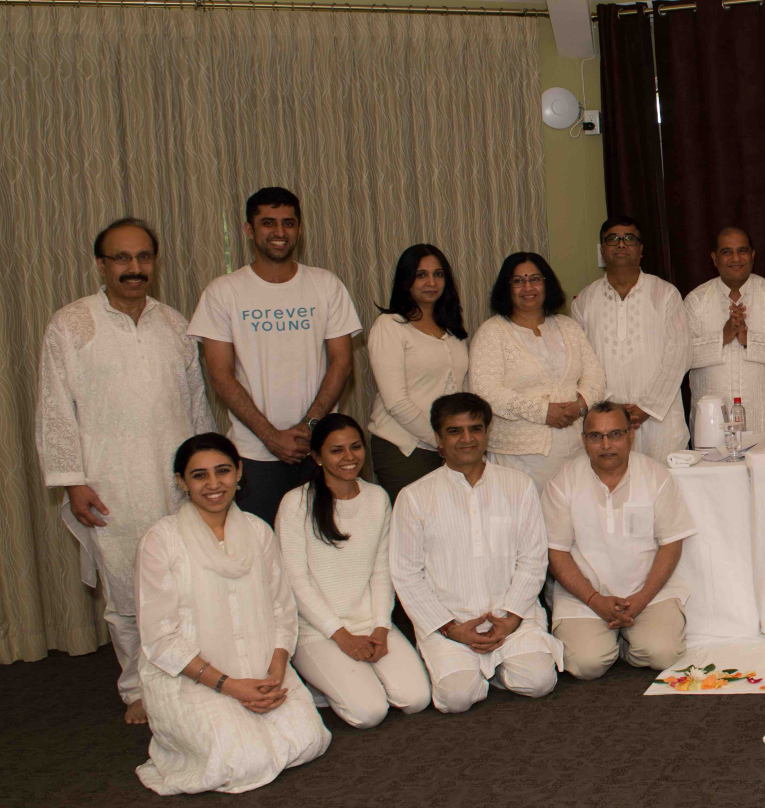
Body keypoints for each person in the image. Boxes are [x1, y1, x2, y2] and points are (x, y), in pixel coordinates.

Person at [35, 217, 213, 724]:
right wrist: (73, 482)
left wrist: (206, 472)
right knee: (126, 593)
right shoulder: (71, 324)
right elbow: (54, 408)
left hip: (176, 485)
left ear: (155, 262)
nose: (134, 268)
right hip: (110, 485)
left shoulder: (174, 324)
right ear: (101, 264)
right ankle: (138, 688)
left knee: (183, 585)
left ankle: (189, 677)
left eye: (143, 257)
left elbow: (196, 405)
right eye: (121, 258)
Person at [135, 433, 330, 794]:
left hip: (260, 668)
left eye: (222, 471)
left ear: (239, 472)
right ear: (182, 482)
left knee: (309, 741)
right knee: (243, 763)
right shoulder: (161, 541)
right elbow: (159, 638)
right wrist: (230, 686)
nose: (213, 484)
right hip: (193, 676)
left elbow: (282, 610)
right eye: (199, 475)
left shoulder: (258, 531)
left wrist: (275, 673)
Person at [187, 187, 362, 525]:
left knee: (327, 544)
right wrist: (270, 436)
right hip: (254, 453)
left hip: (319, 450)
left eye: (288, 223)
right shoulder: (222, 291)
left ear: (300, 228)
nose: (280, 232)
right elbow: (220, 375)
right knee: (262, 548)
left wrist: (309, 427)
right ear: (249, 229)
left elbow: (342, 364)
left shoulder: (326, 285)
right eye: (268, 223)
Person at [388, 393, 561, 714]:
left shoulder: (518, 485)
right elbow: (406, 574)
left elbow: (533, 558)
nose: (467, 439)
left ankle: (495, 667)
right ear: (439, 439)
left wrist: (511, 618)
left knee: (539, 682)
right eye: (455, 431)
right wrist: (450, 627)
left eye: (475, 429)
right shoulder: (414, 497)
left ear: (487, 433)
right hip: (450, 623)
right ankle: (473, 670)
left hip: (511, 616)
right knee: (457, 699)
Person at [277, 414, 430, 728]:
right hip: (317, 630)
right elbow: (295, 582)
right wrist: (341, 636)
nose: (349, 457)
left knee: (416, 699)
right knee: (369, 713)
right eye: (336, 450)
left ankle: (349, 680)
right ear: (317, 457)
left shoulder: (377, 498)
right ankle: (322, 683)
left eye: (356, 447)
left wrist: (381, 627)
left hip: (369, 623)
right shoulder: (295, 503)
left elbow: (381, 572)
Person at [544, 402, 696, 678]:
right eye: (596, 436)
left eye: (615, 434)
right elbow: (556, 553)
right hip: (585, 597)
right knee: (586, 665)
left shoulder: (656, 476)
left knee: (663, 654)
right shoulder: (563, 482)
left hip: (648, 592)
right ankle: (615, 640)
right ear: (584, 439)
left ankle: (624, 645)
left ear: (630, 435)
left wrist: (642, 598)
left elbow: (671, 544)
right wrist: (594, 599)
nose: (606, 445)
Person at [470, 252, 606, 489]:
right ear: (507, 287)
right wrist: (542, 412)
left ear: (546, 283)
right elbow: (486, 391)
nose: (527, 287)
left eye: (535, 279)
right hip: (518, 456)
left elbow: (595, 376)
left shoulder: (569, 327)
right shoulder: (491, 332)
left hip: (576, 450)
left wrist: (579, 406)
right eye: (518, 281)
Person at [573, 216, 691, 460]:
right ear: (602, 250)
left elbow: (680, 354)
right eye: (612, 239)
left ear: (641, 249)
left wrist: (646, 407)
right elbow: (579, 363)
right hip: (606, 424)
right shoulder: (584, 301)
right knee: (611, 482)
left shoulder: (665, 294)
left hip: (660, 420)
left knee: (663, 480)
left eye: (629, 238)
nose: (621, 244)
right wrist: (610, 409)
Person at [684, 227, 765, 438]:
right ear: (714, 258)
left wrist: (750, 340)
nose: (736, 258)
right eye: (727, 252)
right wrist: (722, 338)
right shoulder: (696, 301)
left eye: (742, 251)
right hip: (711, 430)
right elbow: (678, 356)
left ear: (752, 255)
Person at [367, 244, 469, 499]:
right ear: (406, 280)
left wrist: (457, 439)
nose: (431, 282)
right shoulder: (389, 325)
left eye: (438, 274)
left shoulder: (452, 328)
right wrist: (441, 440)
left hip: (449, 446)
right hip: (404, 447)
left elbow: (461, 389)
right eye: (421, 275)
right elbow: (396, 402)